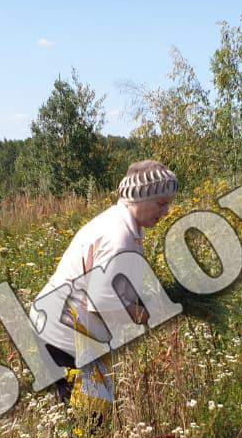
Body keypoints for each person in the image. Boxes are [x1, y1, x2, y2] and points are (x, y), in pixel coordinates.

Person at [29, 160, 179, 417]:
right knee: (90, 416)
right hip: (62, 335)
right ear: (138, 197)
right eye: (161, 203)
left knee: (86, 414)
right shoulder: (118, 235)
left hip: (65, 327)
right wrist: (149, 313)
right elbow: (100, 301)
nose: (166, 211)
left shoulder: (125, 226)